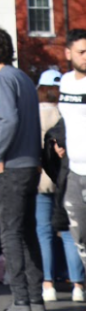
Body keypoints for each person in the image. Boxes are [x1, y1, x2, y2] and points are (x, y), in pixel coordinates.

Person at [0, 22, 45, 311]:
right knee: (28, 231)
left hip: (14, 165)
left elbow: (7, 120)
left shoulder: (2, 79)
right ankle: (35, 300)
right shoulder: (24, 79)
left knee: (10, 232)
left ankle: (20, 302)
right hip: (32, 163)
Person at [36, 69, 86, 303]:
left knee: (44, 232)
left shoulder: (34, 113)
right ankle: (77, 284)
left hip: (40, 179)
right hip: (67, 175)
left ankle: (47, 284)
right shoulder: (67, 111)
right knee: (69, 232)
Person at [58, 29, 86, 289]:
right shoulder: (64, 82)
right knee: (79, 237)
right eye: (81, 52)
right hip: (74, 172)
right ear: (68, 54)